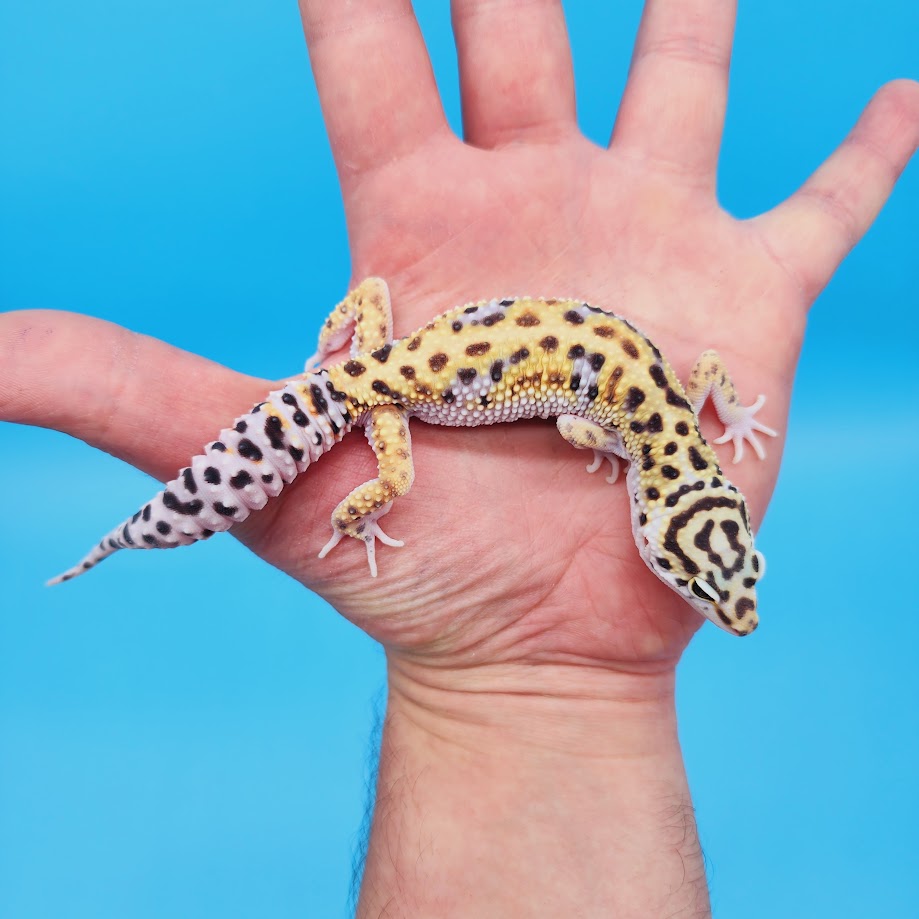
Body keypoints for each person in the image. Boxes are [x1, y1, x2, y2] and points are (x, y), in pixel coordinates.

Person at [3, 1, 917, 915]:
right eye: (715, 579)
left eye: (717, 578)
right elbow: (574, 428)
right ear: (661, 515)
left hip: (378, 351)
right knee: (391, 480)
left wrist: (336, 366)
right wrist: (675, 428)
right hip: (394, 391)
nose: (724, 601)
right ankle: (343, 508)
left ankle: (223, 467)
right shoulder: (639, 429)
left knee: (361, 354)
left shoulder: (670, 406)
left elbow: (684, 384)